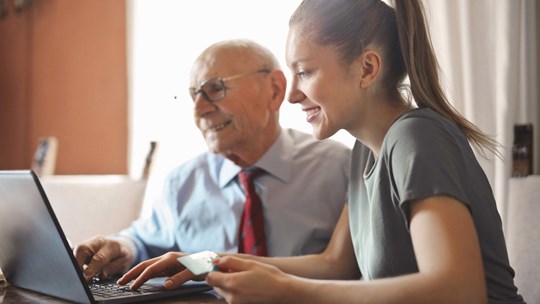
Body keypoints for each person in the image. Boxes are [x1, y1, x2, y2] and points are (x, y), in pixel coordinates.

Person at [117, 0, 526, 303]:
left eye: (305, 71)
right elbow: (336, 264)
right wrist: (204, 262)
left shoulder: (416, 138)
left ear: (367, 69)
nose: (292, 95)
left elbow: (459, 289)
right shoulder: (366, 150)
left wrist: (287, 291)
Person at [74, 39, 350, 283]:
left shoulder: (340, 168)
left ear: (275, 90)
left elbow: (347, 269)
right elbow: (145, 242)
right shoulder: (183, 181)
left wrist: (205, 263)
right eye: (194, 95)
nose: (199, 110)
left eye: (214, 89)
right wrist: (122, 248)